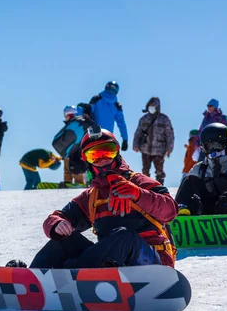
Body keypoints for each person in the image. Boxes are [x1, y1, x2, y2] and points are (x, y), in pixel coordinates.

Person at [9, 126, 178, 270]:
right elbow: (57, 217)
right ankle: (30, 280)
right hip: (110, 265)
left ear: (117, 154)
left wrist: (138, 194)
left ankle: (74, 271)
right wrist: (57, 224)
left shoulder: (138, 182)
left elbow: (170, 210)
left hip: (154, 265)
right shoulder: (92, 197)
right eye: (95, 156)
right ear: (88, 162)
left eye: (107, 152)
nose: (103, 159)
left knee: (123, 236)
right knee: (64, 241)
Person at [132, 97, 175, 185]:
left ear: (157, 107)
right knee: (145, 170)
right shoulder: (144, 119)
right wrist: (135, 144)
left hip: (159, 150)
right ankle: (146, 187)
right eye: (150, 106)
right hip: (145, 149)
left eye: (153, 106)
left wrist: (170, 148)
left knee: (159, 171)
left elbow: (169, 135)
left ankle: (159, 187)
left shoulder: (164, 119)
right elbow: (138, 132)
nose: (151, 107)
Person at [52, 105, 92, 186]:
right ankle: (68, 181)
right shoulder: (77, 122)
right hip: (74, 151)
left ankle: (77, 182)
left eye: (65, 115)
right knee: (69, 163)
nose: (65, 117)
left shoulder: (74, 123)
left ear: (69, 114)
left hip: (76, 151)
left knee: (75, 165)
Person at [89, 81, 129, 151]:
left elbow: (87, 112)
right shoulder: (116, 106)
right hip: (107, 137)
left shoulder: (97, 99)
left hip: (93, 134)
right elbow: (121, 124)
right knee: (105, 159)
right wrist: (125, 139)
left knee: (91, 157)